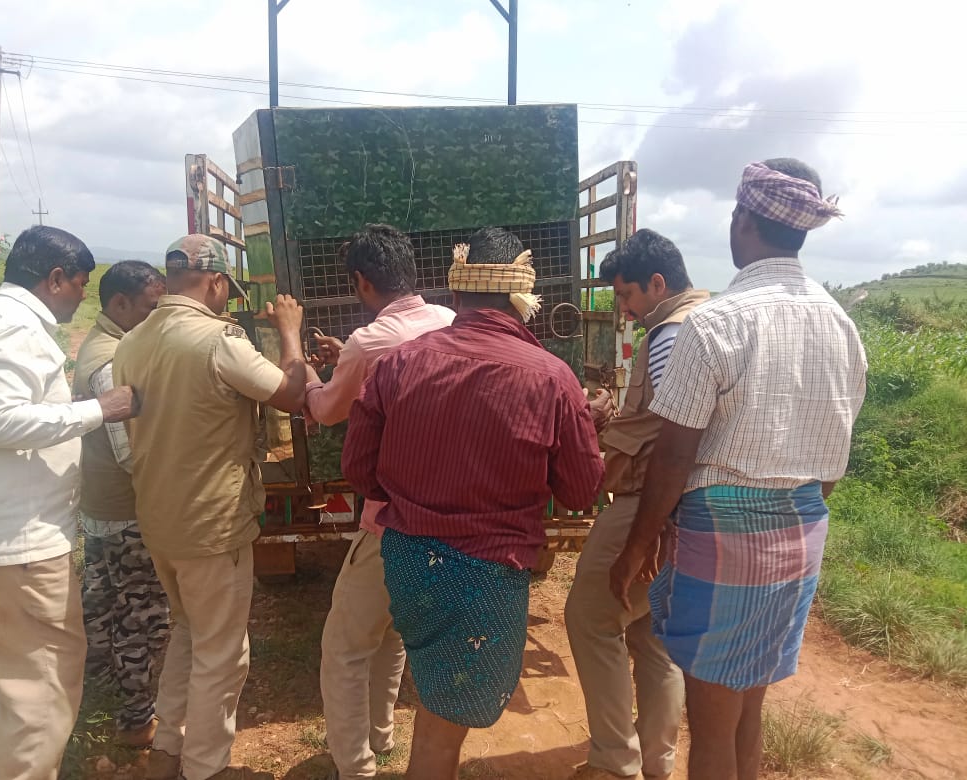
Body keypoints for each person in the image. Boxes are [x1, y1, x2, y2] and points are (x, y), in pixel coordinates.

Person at [611, 159, 867, 780]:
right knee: (747, 709)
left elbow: (674, 456)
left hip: (726, 536)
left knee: (713, 726)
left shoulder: (716, 323)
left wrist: (637, 544)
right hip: (804, 529)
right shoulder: (842, 324)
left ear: (744, 221)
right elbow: (833, 456)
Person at [342, 227, 603, 780]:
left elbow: (359, 471)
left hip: (408, 563)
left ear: (455, 296)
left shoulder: (397, 364)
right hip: (488, 573)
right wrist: (584, 429)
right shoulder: (555, 380)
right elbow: (580, 493)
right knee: (443, 721)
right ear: (521, 302)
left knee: (437, 697)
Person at [0, 225, 137, 780]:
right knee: (43, 694)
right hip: (13, 545)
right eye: (79, 285)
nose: (79, 299)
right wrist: (100, 408)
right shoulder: (18, 330)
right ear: (55, 278)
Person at [113, 234, 308, 780]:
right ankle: (207, 769)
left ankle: (168, 754)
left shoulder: (131, 342)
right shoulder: (218, 341)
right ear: (216, 282)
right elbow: (291, 395)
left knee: (188, 635)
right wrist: (287, 332)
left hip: (161, 520)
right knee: (223, 653)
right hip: (211, 526)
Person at [308, 225, 455, 780]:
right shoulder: (449, 322)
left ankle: (356, 767)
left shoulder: (368, 344)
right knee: (392, 630)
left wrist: (307, 366)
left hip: (390, 519)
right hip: (447, 518)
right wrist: (343, 356)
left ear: (362, 282)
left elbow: (325, 410)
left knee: (345, 647)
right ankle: (381, 735)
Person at [565, 229, 710, 780]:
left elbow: (678, 434)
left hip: (650, 500)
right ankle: (656, 761)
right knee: (649, 633)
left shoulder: (673, 334)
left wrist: (655, 525)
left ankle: (614, 763)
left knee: (590, 617)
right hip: (683, 506)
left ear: (657, 283)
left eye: (627, 297)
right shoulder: (707, 321)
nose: (624, 311)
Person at [73, 260, 170, 748]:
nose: (157, 317)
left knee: (103, 610)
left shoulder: (104, 344)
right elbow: (129, 452)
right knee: (143, 617)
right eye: (152, 308)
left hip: (101, 509)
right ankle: (137, 721)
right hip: (126, 514)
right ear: (119, 304)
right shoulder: (110, 361)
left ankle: (92, 700)